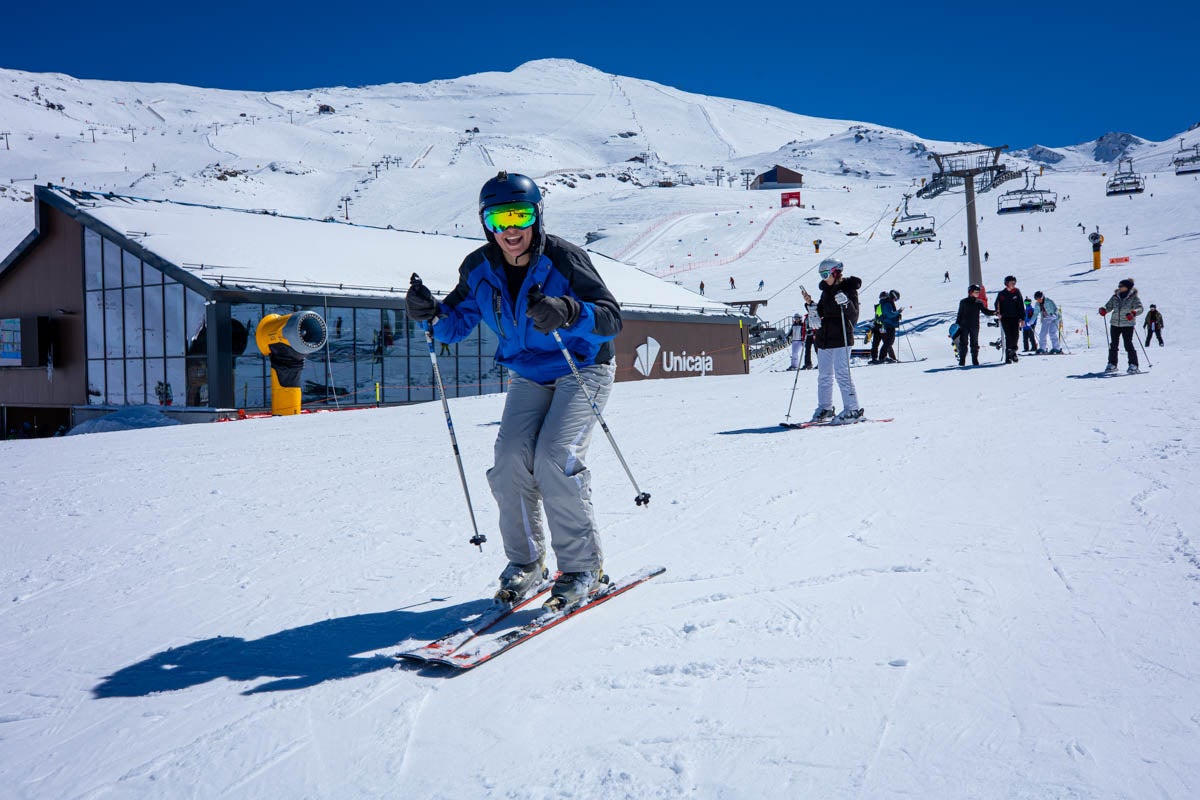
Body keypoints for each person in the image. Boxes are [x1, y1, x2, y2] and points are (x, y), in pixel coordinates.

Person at [405, 171, 622, 610]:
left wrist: (567, 310)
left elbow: (611, 317)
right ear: (486, 222)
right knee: (508, 462)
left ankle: (583, 569)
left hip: (581, 366)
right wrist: (429, 314)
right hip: (527, 373)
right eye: (499, 217)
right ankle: (527, 563)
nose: (510, 229)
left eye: (519, 215)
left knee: (554, 458)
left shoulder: (564, 259)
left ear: (536, 216)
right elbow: (454, 323)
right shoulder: (478, 268)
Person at [810, 258, 863, 424]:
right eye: (821, 274)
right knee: (824, 375)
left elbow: (854, 317)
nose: (824, 277)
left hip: (842, 336)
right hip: (825, 338)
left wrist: (846, 303)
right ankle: (825, 408)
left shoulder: (848, 288)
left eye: (825, 273)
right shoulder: (825, 290)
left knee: (842, 373)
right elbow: (820, 310)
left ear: (835, 271)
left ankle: (853, 409)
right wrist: (812, 310)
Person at [1100, 278, 1143, 373]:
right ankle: (1112, 364)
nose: (1119, 287)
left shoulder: (1133, 297)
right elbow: (1108, 306)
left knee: (1128, 344)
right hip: (1115, 323)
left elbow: (1140, 308)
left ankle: (1133, 365)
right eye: (1118, 286)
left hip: (1127, 324)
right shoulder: (1115, 297)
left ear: (1127, 287)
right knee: (1113, 345)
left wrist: (1133, 313)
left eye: (1121, 286)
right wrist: (1104, 310)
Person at [954, 284, 996, 366]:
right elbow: (959, 315)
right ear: (970, 292)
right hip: (964, 326)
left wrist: (994, 312)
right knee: (963, 343)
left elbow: (985, 311)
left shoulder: (979, 302)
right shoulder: (963, 302)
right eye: (976, 292)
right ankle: (962, 360)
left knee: (974, 343)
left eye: (978, 292)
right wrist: (956, 326)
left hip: (975, 326)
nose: (977, 293)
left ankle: (975, 360)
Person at [994, 275, 1025, 364]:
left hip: (1015, 318)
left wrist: (1022, 318)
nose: (1013, 284)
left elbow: (1021, 305)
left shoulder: (1017, 292)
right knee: (1009, 336)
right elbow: (997, 304)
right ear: (1006, 283)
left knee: (1016, 336)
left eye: (1014, 283)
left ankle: (1013, 351)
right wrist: (998, 313)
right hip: (1005, 318)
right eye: (1011, 283)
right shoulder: (1001, 294)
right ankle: (1008, 356)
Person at [874, 290, 902, 363]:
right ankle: (883, 357)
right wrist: (898, 312)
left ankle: (889, 357)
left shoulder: (881, 304)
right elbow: (889, 315)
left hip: (881, 326)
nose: (895, 300)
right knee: (888, 342)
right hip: (886, 326)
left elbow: (880, 316)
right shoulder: (887, 304)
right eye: (896, 299)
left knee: (886, 342)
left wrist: (897, 315)